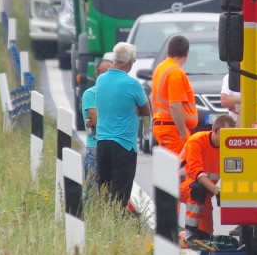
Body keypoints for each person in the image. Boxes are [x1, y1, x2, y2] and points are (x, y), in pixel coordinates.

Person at [95, 41, 151, 212]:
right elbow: (146, 110)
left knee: (104, 185)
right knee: (121, 188)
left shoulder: (101, 80)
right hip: (124, 143)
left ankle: (104, 219)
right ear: (129, 62)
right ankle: (116, 221)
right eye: (133, 61)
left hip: (102, 141)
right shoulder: (132, 84)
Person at [179, 113, 236, 245]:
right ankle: (190, 233)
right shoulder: (197, 141)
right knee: (197, 190)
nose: (228, 139)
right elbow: (198, 174)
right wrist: (218, 192)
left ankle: (195, 237)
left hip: (206, 191)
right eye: (225, 135)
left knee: (206, 234)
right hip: (185, 184)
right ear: (215, 131)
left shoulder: (227, 147)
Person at [150, 34, 197, 155]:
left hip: (162, 126)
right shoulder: (175, 72)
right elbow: (175, 105)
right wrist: (182, 133)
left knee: (168, 168)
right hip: (173, 130)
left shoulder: (160, 68)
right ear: (186, 53)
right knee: (178, 169)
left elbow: (152, 98)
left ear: (168, 50)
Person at [81, 55, 112, 185]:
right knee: (92, 193)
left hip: (112, 148)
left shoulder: (115, 93)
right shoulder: (90, 94)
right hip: (95, 148)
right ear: (96, 74)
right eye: (103, 74)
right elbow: (96, 120)